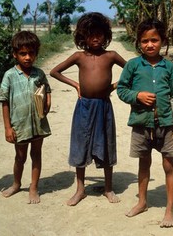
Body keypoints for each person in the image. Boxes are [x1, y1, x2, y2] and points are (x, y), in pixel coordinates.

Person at [50, 12, 126, 206]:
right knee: (80, 145)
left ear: (106, 35)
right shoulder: (79, 56)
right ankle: (80, 189)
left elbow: (132, 69)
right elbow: (54, 71)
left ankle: (108, 188)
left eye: (99, 34)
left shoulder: (111, 56)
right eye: (90, 34)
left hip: (103, 107)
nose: (95, 38)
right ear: (82, 36)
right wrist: (75, 84)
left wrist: (115, 85)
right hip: (84, 106)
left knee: (107, 145)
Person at [117, 18, 173, 228]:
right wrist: (137, 95)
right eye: (145, 40)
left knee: (169, 165)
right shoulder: (133, 65)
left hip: (166, 125)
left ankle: (169, 209)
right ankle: (142, 202)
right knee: (143, 164)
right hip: (141, 125)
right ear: (139, 42)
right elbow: (121, 90)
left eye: (154, 40)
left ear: (162, 41)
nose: (150, 44)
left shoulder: (169, 68)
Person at [0, 31, 51, 204]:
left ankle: (33, 188)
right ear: (15, 54)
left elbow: (47, 89)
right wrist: (8, 127)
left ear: (36, 53)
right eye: (23, 53)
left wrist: (47, 102)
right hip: (19, 124)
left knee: (36, 154)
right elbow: (4, 102)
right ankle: (16, 183)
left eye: (31, 53)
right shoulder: (10, 75)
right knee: (20, 156)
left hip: (38, 123)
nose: (28, 57)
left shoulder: (39, 73)